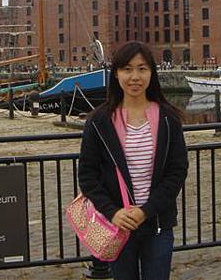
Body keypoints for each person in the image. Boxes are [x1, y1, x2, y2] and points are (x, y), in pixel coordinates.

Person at [78, 41, 188, 280]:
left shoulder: (168, 119)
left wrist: (147, 210)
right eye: (127, 69)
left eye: (142, 68)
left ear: (151, 73)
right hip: (118, 225)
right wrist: (113, 211)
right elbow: (87, 175)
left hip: (157, 223)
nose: (134, 76)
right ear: (116, 74)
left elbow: (176, 172)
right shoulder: (99, 121)